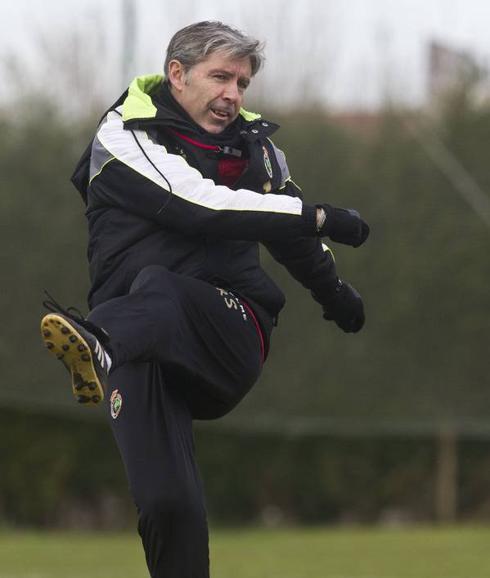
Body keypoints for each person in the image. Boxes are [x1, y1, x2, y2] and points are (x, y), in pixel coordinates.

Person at [41, 21, 369, 578]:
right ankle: (104, 344)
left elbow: (293, 239)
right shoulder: (122, 136)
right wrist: (319, 214)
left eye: (242, 83)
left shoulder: (260, 154)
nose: (233, 95)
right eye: (221, 77)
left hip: (229, 331)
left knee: (159, 290)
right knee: (168, 506)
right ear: (177, 74)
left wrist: (337, 295)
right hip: (134, 349)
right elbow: (200, 205)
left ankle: (98, 340)